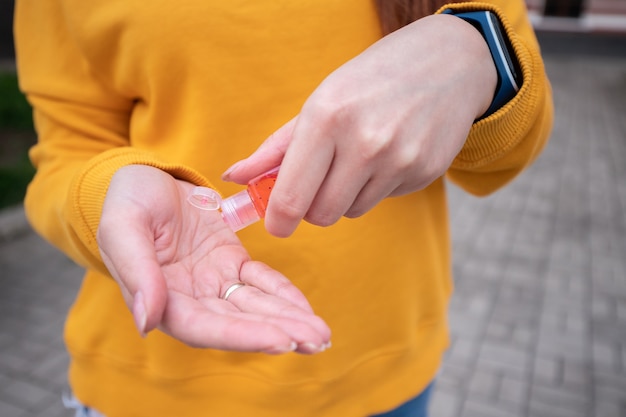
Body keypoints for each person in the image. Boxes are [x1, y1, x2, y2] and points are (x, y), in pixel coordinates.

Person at [14, 0, 553, 415]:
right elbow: (65, 151)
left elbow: (516, 147)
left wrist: (476, 52)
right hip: (150, 386)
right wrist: (107, 193)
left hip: (387, 379)